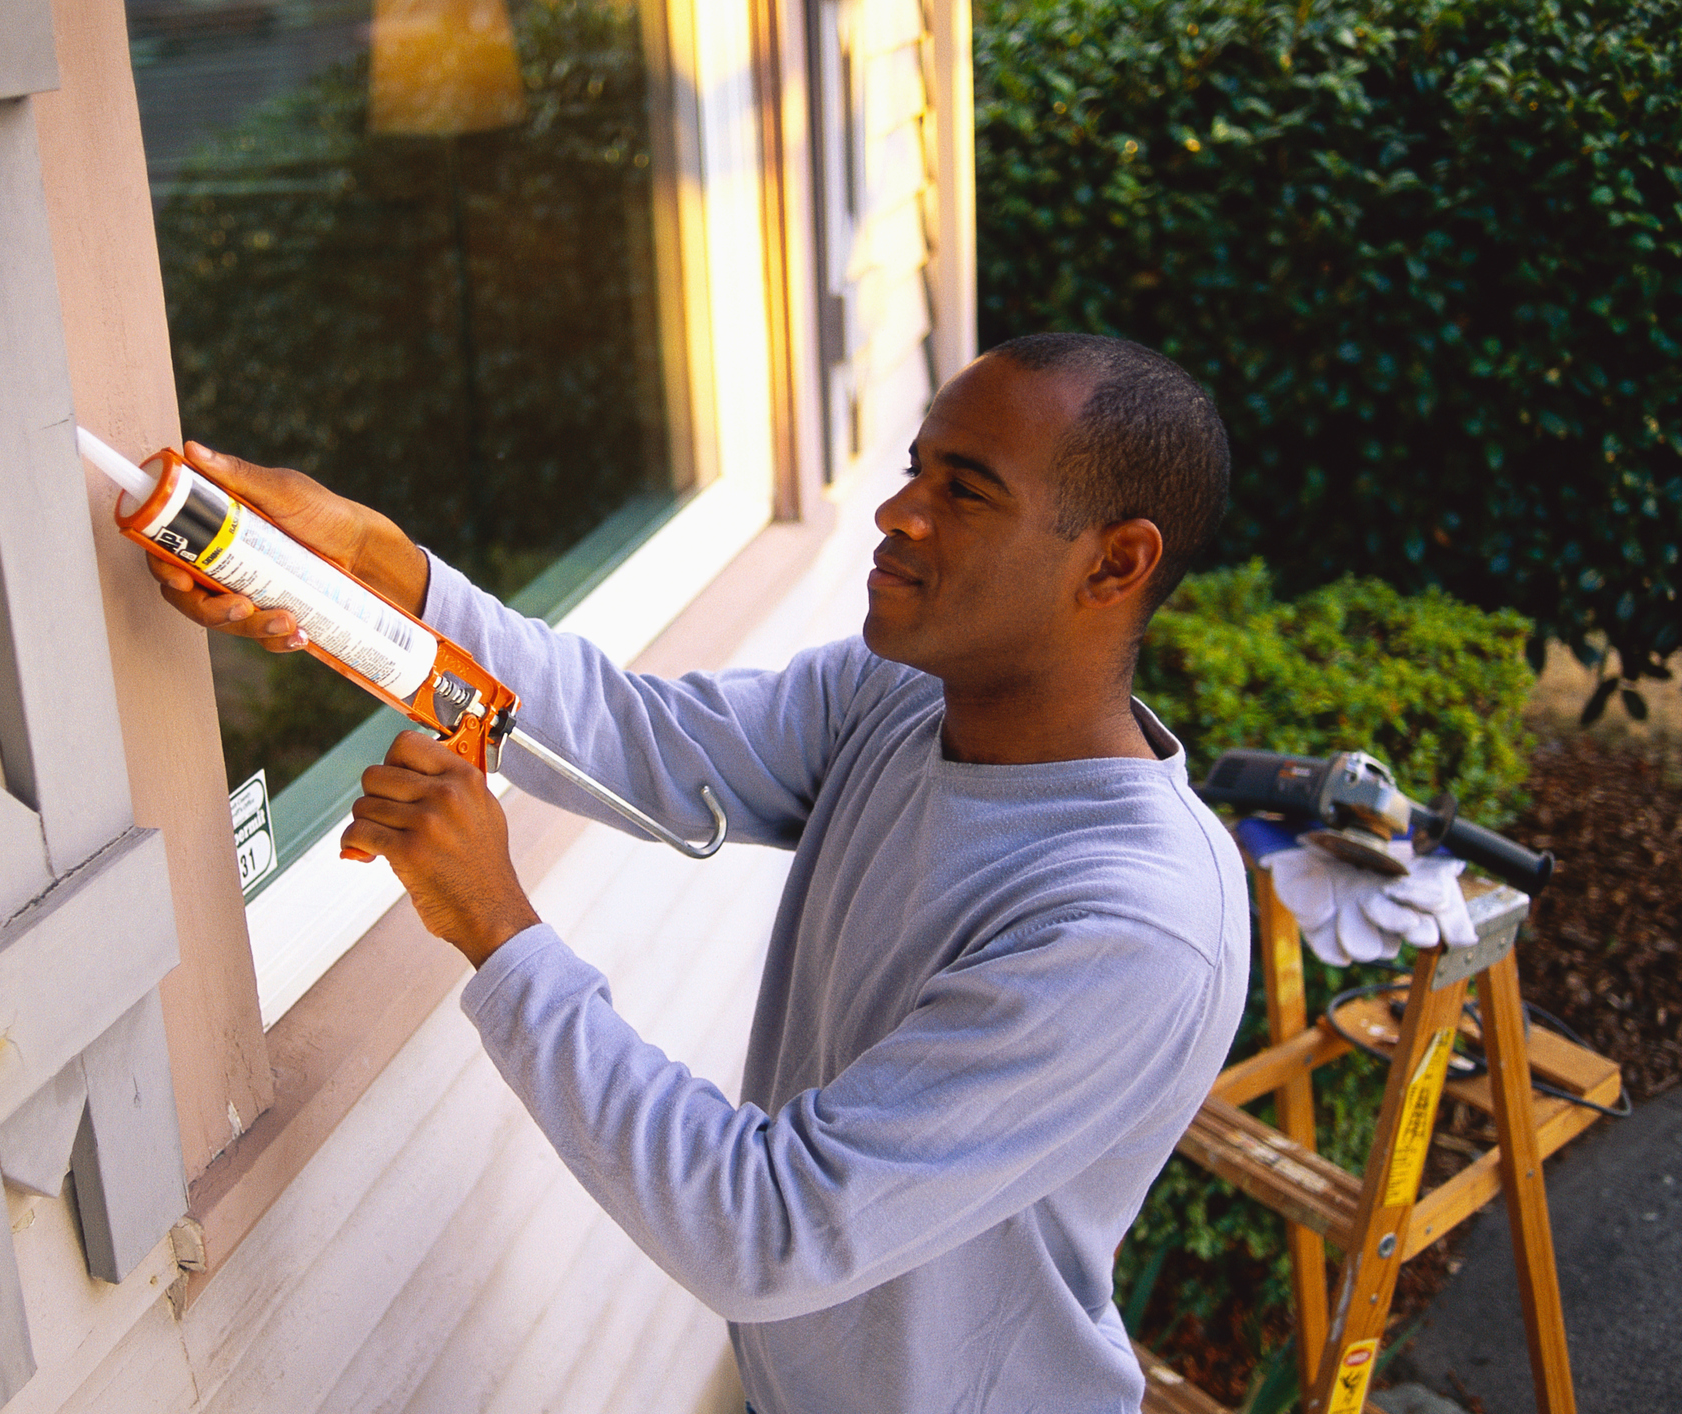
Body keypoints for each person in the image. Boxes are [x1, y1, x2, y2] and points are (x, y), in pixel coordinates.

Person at [150, 332, 1250, 1413]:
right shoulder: (900, 699)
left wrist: (493, 919)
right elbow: (632, 737)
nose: (896, 512)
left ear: (1116, 561)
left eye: (964, 491)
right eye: (916, 467)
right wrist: (371, 570)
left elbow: (766, 1228)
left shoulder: (1128, 925)